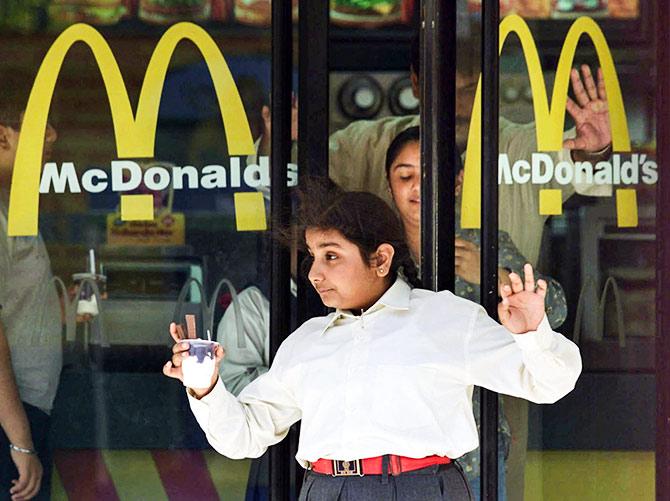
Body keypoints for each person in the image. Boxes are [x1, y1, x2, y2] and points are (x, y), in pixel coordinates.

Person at [164, 180, 582, 501]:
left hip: (422, 489)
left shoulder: (446, 317)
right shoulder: (307, 341)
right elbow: (245, 437)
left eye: (331, 256)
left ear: (381, 258)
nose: (313, 273)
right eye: (311, 256)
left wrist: (532, 334)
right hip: (324, 490)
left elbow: (549, 384)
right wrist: (205, 387)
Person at [384, 126, 569, 499]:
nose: (417, 187)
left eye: (430, 176)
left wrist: (493, 275)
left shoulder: (484, 243)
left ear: (456, 183)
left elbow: (557, 309)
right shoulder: (374, 251)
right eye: (405, 176)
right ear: (389, 184)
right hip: (390, 446)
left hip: (472, 447)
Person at [0, 104, 62, 501]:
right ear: (2, 136)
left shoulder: (13, 209)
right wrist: (22, 441)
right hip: (10, 421)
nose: (52, 135)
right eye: (39, 124)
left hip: (23, 412)